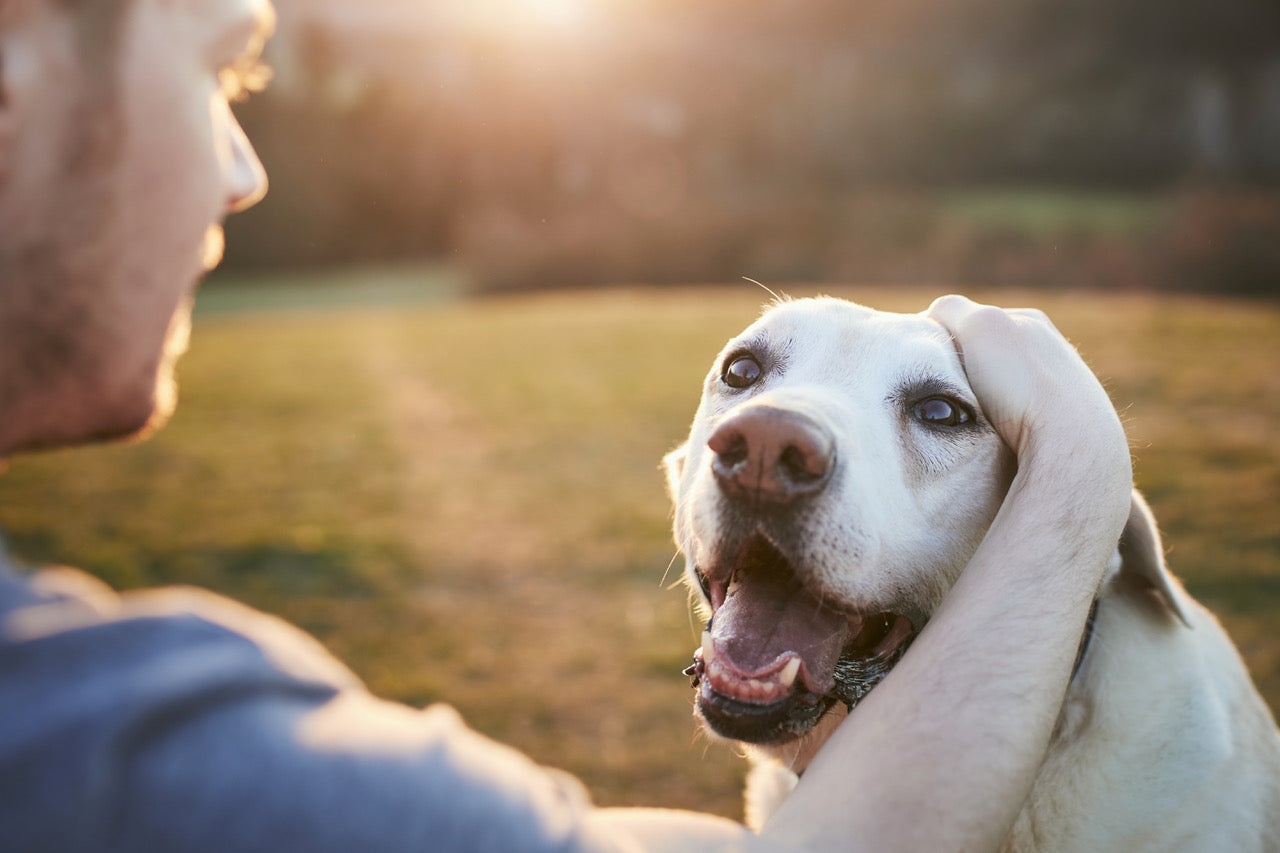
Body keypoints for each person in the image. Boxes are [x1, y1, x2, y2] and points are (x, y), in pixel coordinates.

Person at [0, 0, 1135, 850]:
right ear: (13, 70)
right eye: (226, 71)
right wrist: (1079, 467)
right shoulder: (138, 761)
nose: (246, 168)